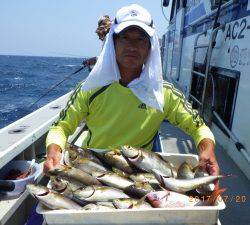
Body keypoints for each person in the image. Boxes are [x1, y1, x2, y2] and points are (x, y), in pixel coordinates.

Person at [44, 4, 219, 185]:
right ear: (113, 42)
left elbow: (198, 127)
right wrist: (54, 151)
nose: (132, 46)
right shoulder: (90, 88)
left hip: (140, 173)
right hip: (94, 168)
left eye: (141, 39)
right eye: (125, 37)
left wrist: (207, 151)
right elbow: (60, 127)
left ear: (151, 46)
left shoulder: (164, 93)